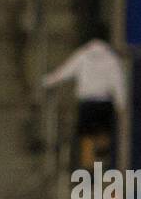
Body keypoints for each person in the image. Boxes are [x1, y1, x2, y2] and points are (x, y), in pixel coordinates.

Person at [41, 29, 126, 170]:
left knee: (86, 137)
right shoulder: (111, 58)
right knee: (103, 132)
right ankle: (102, 158)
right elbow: (117, 82)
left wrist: (48, 81)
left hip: (87, 104)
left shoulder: (83, 55)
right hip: (104, 104)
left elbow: (65, 71)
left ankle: (89, 168)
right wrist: (120, 104)